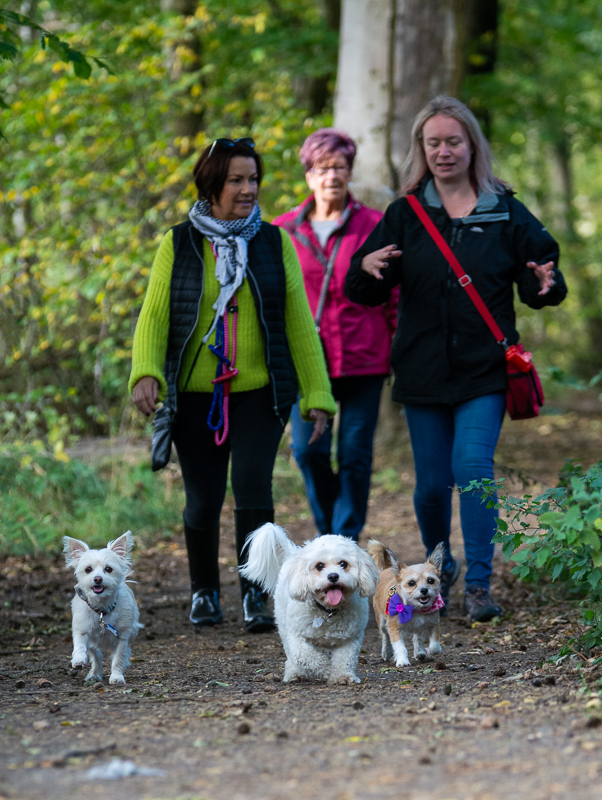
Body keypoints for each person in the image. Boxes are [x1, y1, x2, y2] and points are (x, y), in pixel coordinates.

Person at [345, 97, 567, 622]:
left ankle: (480, 585)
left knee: (472, 469)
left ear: (472, 147)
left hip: (484, 370)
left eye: (453, 141)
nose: (443, 152)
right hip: (421, 369)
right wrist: (367, 267)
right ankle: (439, 567)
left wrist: (544, 284)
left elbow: (544, 280)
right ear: (422, 150)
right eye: (433, 143)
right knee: (429, 485)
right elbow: (363, 289)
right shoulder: (404, 215)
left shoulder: (506, 211)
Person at [129, 137, 336, 632]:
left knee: (252, 490)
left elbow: (298, 323)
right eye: (236, 180)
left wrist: (317, 394)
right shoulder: (178, 242)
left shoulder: (273, 242)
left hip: (260, 394)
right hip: (195, 394)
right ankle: (203, 591)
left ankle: (256, 597)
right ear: (212, 185)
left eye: (253, 179)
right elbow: (155, 315)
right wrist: (146, 371)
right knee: (202, 498)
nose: (248, 189)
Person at [272, 129, 397, 541]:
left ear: (350, 173)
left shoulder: (375, 225)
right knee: (308, 453)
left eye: (340, 167)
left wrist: (399, 345)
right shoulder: (282, 231)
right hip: (307, 364)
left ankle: (346, 537)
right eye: (323, 168)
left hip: (364, 357)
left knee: (355, 456)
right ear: (309, 175)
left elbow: (393, 291)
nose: (332, 176)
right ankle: (328, 535)